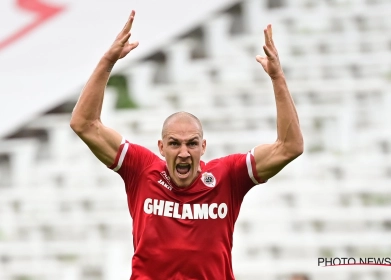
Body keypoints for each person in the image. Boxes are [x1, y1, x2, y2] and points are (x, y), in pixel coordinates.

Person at [70, 10, 303, 280]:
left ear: (203, 147)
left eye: (192, 143)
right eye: (174, 143)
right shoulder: (141, 169)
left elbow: (290, 146)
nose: (183, 152)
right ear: (161, 147)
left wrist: (277, 79)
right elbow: (84, 124)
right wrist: (108, 61)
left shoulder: (227, 177)